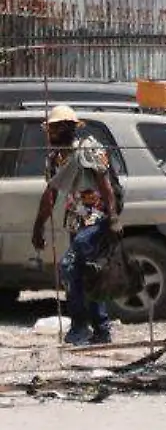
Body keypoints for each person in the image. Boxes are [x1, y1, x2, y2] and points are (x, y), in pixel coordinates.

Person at [32, 105, 120, 345]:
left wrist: (112, 217)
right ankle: (98, 331)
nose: (48, 133)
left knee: (70, 267)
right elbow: (50, 194)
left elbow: (106, 186)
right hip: (74, 222)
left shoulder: (89, 149)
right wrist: (38, 226)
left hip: (95, 219)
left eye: (52, 128)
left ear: (63, 128)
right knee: (85, 275)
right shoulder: (54, 158)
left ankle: (82, 328)